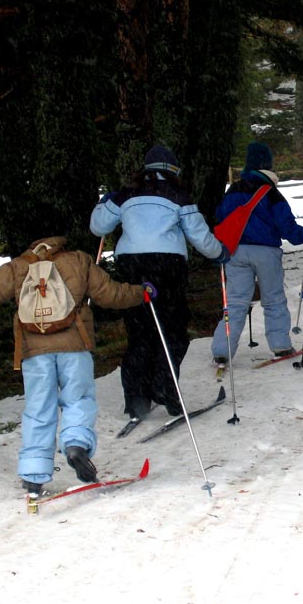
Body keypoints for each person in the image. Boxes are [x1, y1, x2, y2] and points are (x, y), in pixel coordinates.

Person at [0, 236, 146, 494]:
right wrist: (142, 293)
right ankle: (76, 444)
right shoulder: (78, 260)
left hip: (34, 350)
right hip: (74, 344)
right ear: (59, 242)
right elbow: (110, 294)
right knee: (78, 398)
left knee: (38, 408)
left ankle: (33, 474)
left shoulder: (19, 266)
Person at [90, 144, 229, 421]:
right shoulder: (179, 196)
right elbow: (199, 236)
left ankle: (136, 398)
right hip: (167, 266)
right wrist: (219, 253)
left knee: (139, 331)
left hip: (132, 266)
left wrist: (106, 202)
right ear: (173, 170)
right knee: (172, 329)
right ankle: (166, 388)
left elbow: (97, 227)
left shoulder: (125, 194)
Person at [211, 143, 303, 364]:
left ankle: (222, 348)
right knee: (274, 299)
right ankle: (280, 345)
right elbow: (286, 226)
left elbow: (219, 217)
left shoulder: (233, 190)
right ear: (268, 165)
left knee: (236, 302)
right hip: (267, 252)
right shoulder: (272, 193)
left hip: (236, 251)